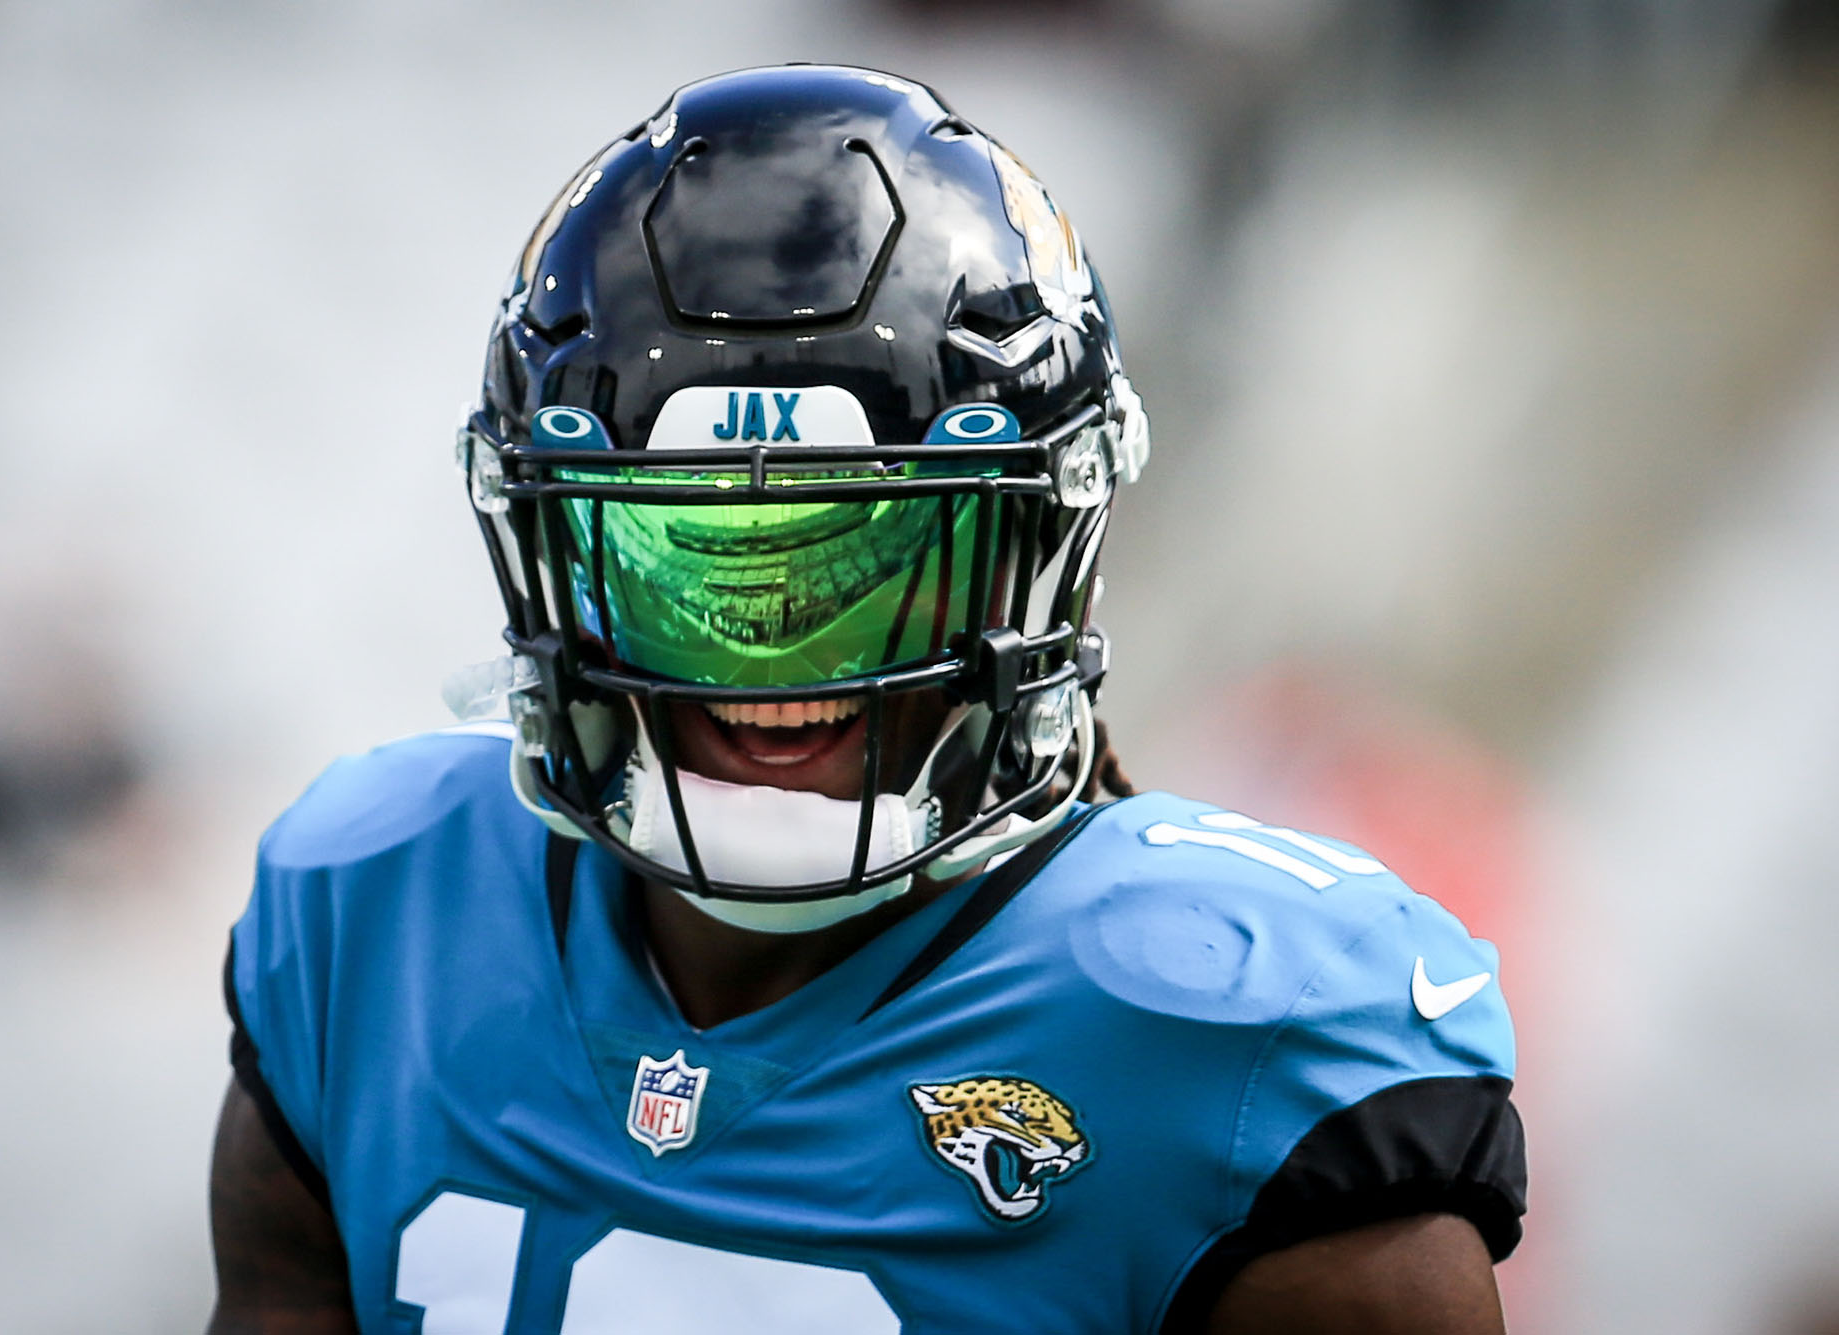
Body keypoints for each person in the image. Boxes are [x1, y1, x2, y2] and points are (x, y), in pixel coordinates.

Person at [207, 64, 1525, 1335]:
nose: (777, 645)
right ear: (559, 558)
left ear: (1034, 551)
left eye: (868, 553)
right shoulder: (376, 906)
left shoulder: (1240, 1040)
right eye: (689, 555)